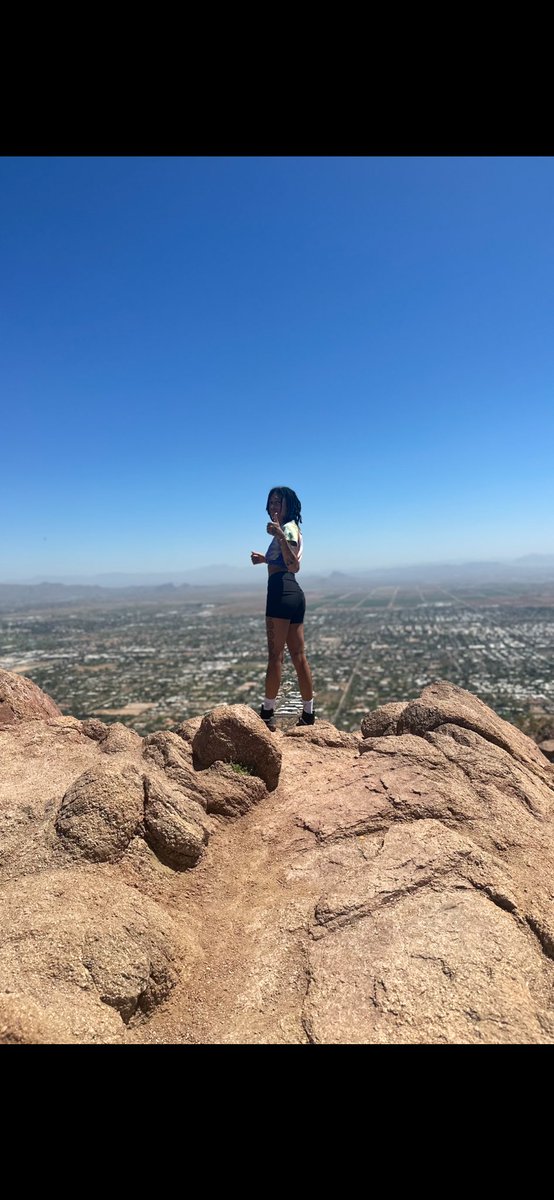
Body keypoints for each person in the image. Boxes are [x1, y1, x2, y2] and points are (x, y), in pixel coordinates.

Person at [250, 486, 315, 732]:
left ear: (289, 506)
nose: (273, 506)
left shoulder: (287, 529)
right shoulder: (292, 529)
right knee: (298, 656)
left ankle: (267, 715)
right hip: (294, 593)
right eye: (271, 502)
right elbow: (286, 561)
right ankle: (308, 714)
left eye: (279, 502)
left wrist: (278, 534)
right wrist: (265, 560)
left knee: (275, 657)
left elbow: (293, 564)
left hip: (281, 591)